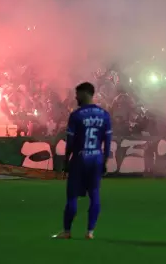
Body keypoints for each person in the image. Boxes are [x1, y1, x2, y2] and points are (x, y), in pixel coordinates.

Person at [53, 82, 112, 240]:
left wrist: (66, 160)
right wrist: (105, 160)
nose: (75, 97)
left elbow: (70, 141)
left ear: (85, 93)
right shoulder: (104, 114)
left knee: (72, 196)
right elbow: (108, 140)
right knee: (95, 194)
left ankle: (67, 231)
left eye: (77, 94)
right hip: (96, 158)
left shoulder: (77, 115)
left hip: (80, 158)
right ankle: (90, 232)